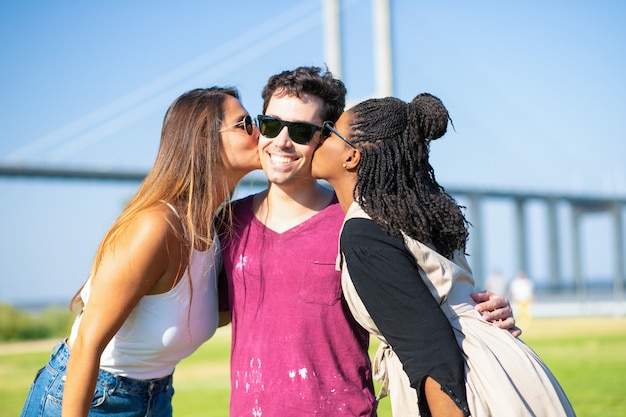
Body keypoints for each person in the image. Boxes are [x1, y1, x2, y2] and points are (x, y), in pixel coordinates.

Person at [218, 66, 520, 416]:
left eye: (301, 131)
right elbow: (203, 312)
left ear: (324, 139)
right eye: (271, 125)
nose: (282, 141)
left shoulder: (364, 224)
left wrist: (486, 311)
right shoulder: (227, 223)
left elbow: (434, 304)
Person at [311, 92, 576, 416]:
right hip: (508, 368)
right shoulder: (412, 218)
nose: (318, 139)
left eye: (328, 131)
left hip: (468, 385)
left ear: (351, 157)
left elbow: (430, 351)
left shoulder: (364, 233)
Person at [20, 87, 261, 417]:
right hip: (92, 398)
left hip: (155, 397)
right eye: (245, 123)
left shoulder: (214, 227)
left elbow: (192, 317)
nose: (261, 132)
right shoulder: (156, 226)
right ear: (205, 140)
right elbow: (88, 343)